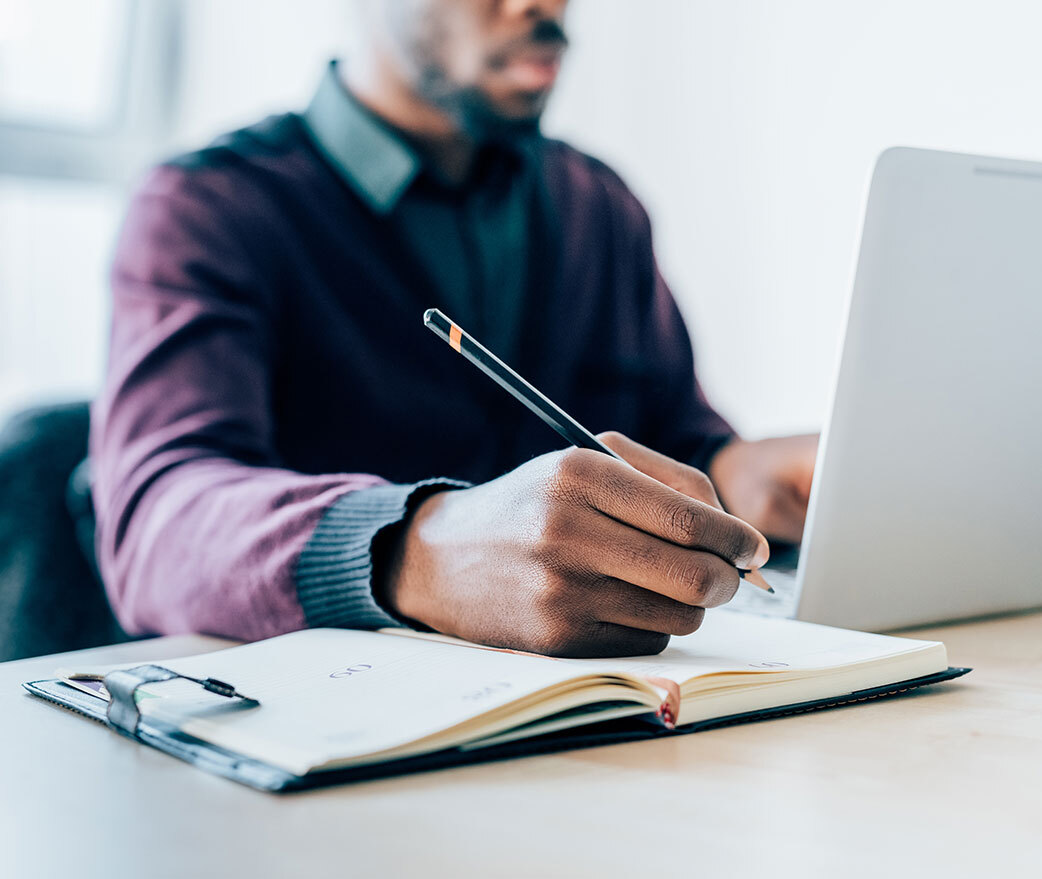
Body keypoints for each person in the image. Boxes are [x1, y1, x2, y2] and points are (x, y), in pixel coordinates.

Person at [90, 0, 819, 657]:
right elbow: (158, 519)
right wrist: (419, 552)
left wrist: (756, 480)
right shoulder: (207, 209)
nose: (544, 5)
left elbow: (675, 442)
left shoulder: (600, 205)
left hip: (602, 734)